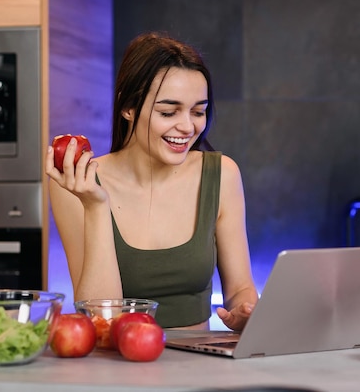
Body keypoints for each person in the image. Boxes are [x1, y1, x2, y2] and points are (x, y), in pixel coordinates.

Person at [45, 31, 258, 331]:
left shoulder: (222, 174)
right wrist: (96, 206)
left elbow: (240, 290)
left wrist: (246, 311)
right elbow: (101, 319)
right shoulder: (79, 184)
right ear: (128, 108)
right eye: (168, 112)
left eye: (199, 111)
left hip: (200, 368)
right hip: (117, 369)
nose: (187, 127)